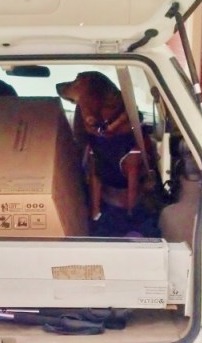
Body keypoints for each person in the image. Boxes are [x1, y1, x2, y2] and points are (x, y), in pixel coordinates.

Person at [58, 71, 161, 237]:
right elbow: (95, 175)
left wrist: (130, 215)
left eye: (77, 82)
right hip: (107, 203)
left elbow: (133, 177)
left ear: (92, 94)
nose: (67, 86)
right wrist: (94, 214)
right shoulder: (95, 135)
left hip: (131, 204)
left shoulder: (130, 135)